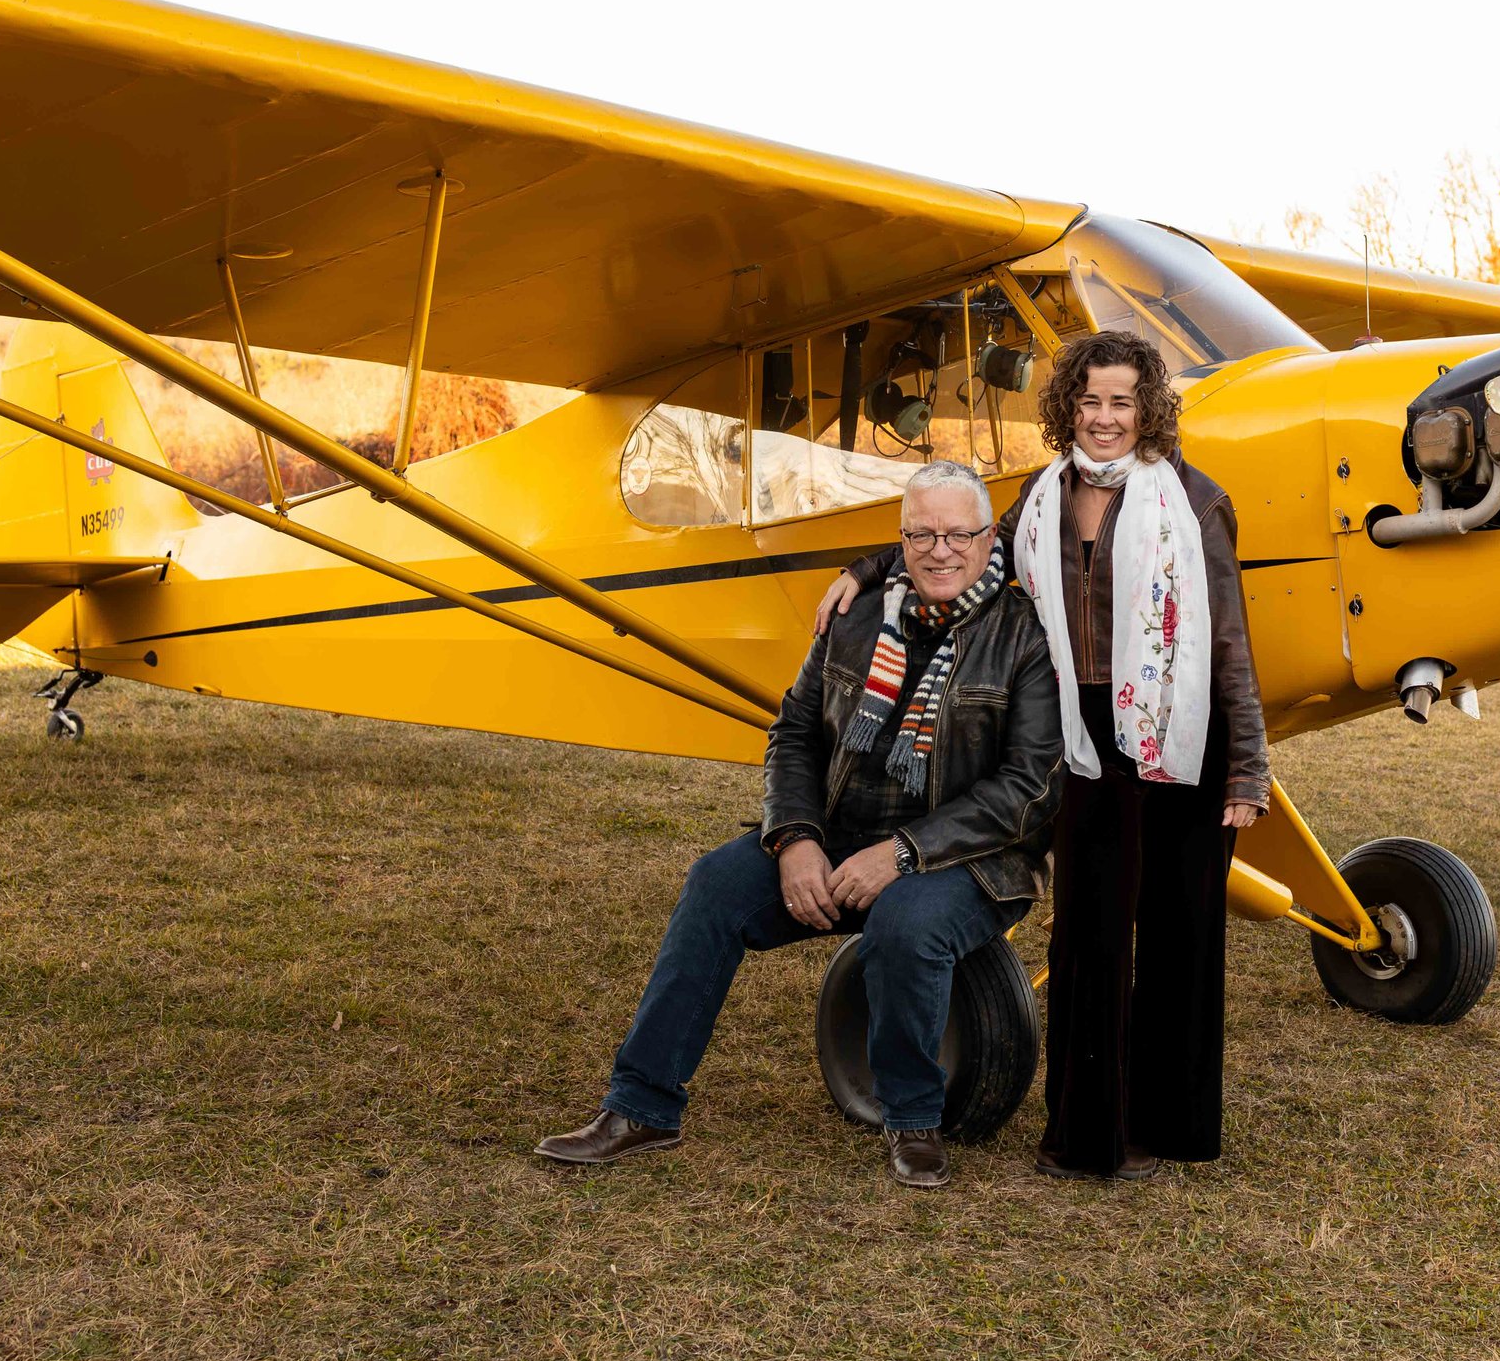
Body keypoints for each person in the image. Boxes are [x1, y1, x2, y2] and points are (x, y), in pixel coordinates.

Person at [816, 329, 1268, 1180]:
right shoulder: (1041, 495)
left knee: (1180, 930)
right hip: (1080, 734)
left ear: (1149, 409)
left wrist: (1246, 766)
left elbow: (1231, 638)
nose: (1104, 417)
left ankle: (1170, 1123)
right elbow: (958, 547)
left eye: (1122, 401)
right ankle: (1091, 1134)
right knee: (1092, 931)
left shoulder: (1196, 500)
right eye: (1090, 399)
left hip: (1179, 727)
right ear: (1068, 406)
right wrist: (868, 568)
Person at [536, 462, 1062, 1189]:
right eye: (923, 534)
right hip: (840, 833)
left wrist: (904, 852)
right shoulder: (852, 617)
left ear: (986, 539)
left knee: (906, 922)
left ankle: (912, 1118)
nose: (942, 550)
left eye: (959, 534)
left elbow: (1028, 787)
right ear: (901, 541)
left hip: (969, 856)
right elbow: (794, 736)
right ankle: (641, 1106)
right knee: (716, 884)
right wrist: (794, 837)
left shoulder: (1023, 636)